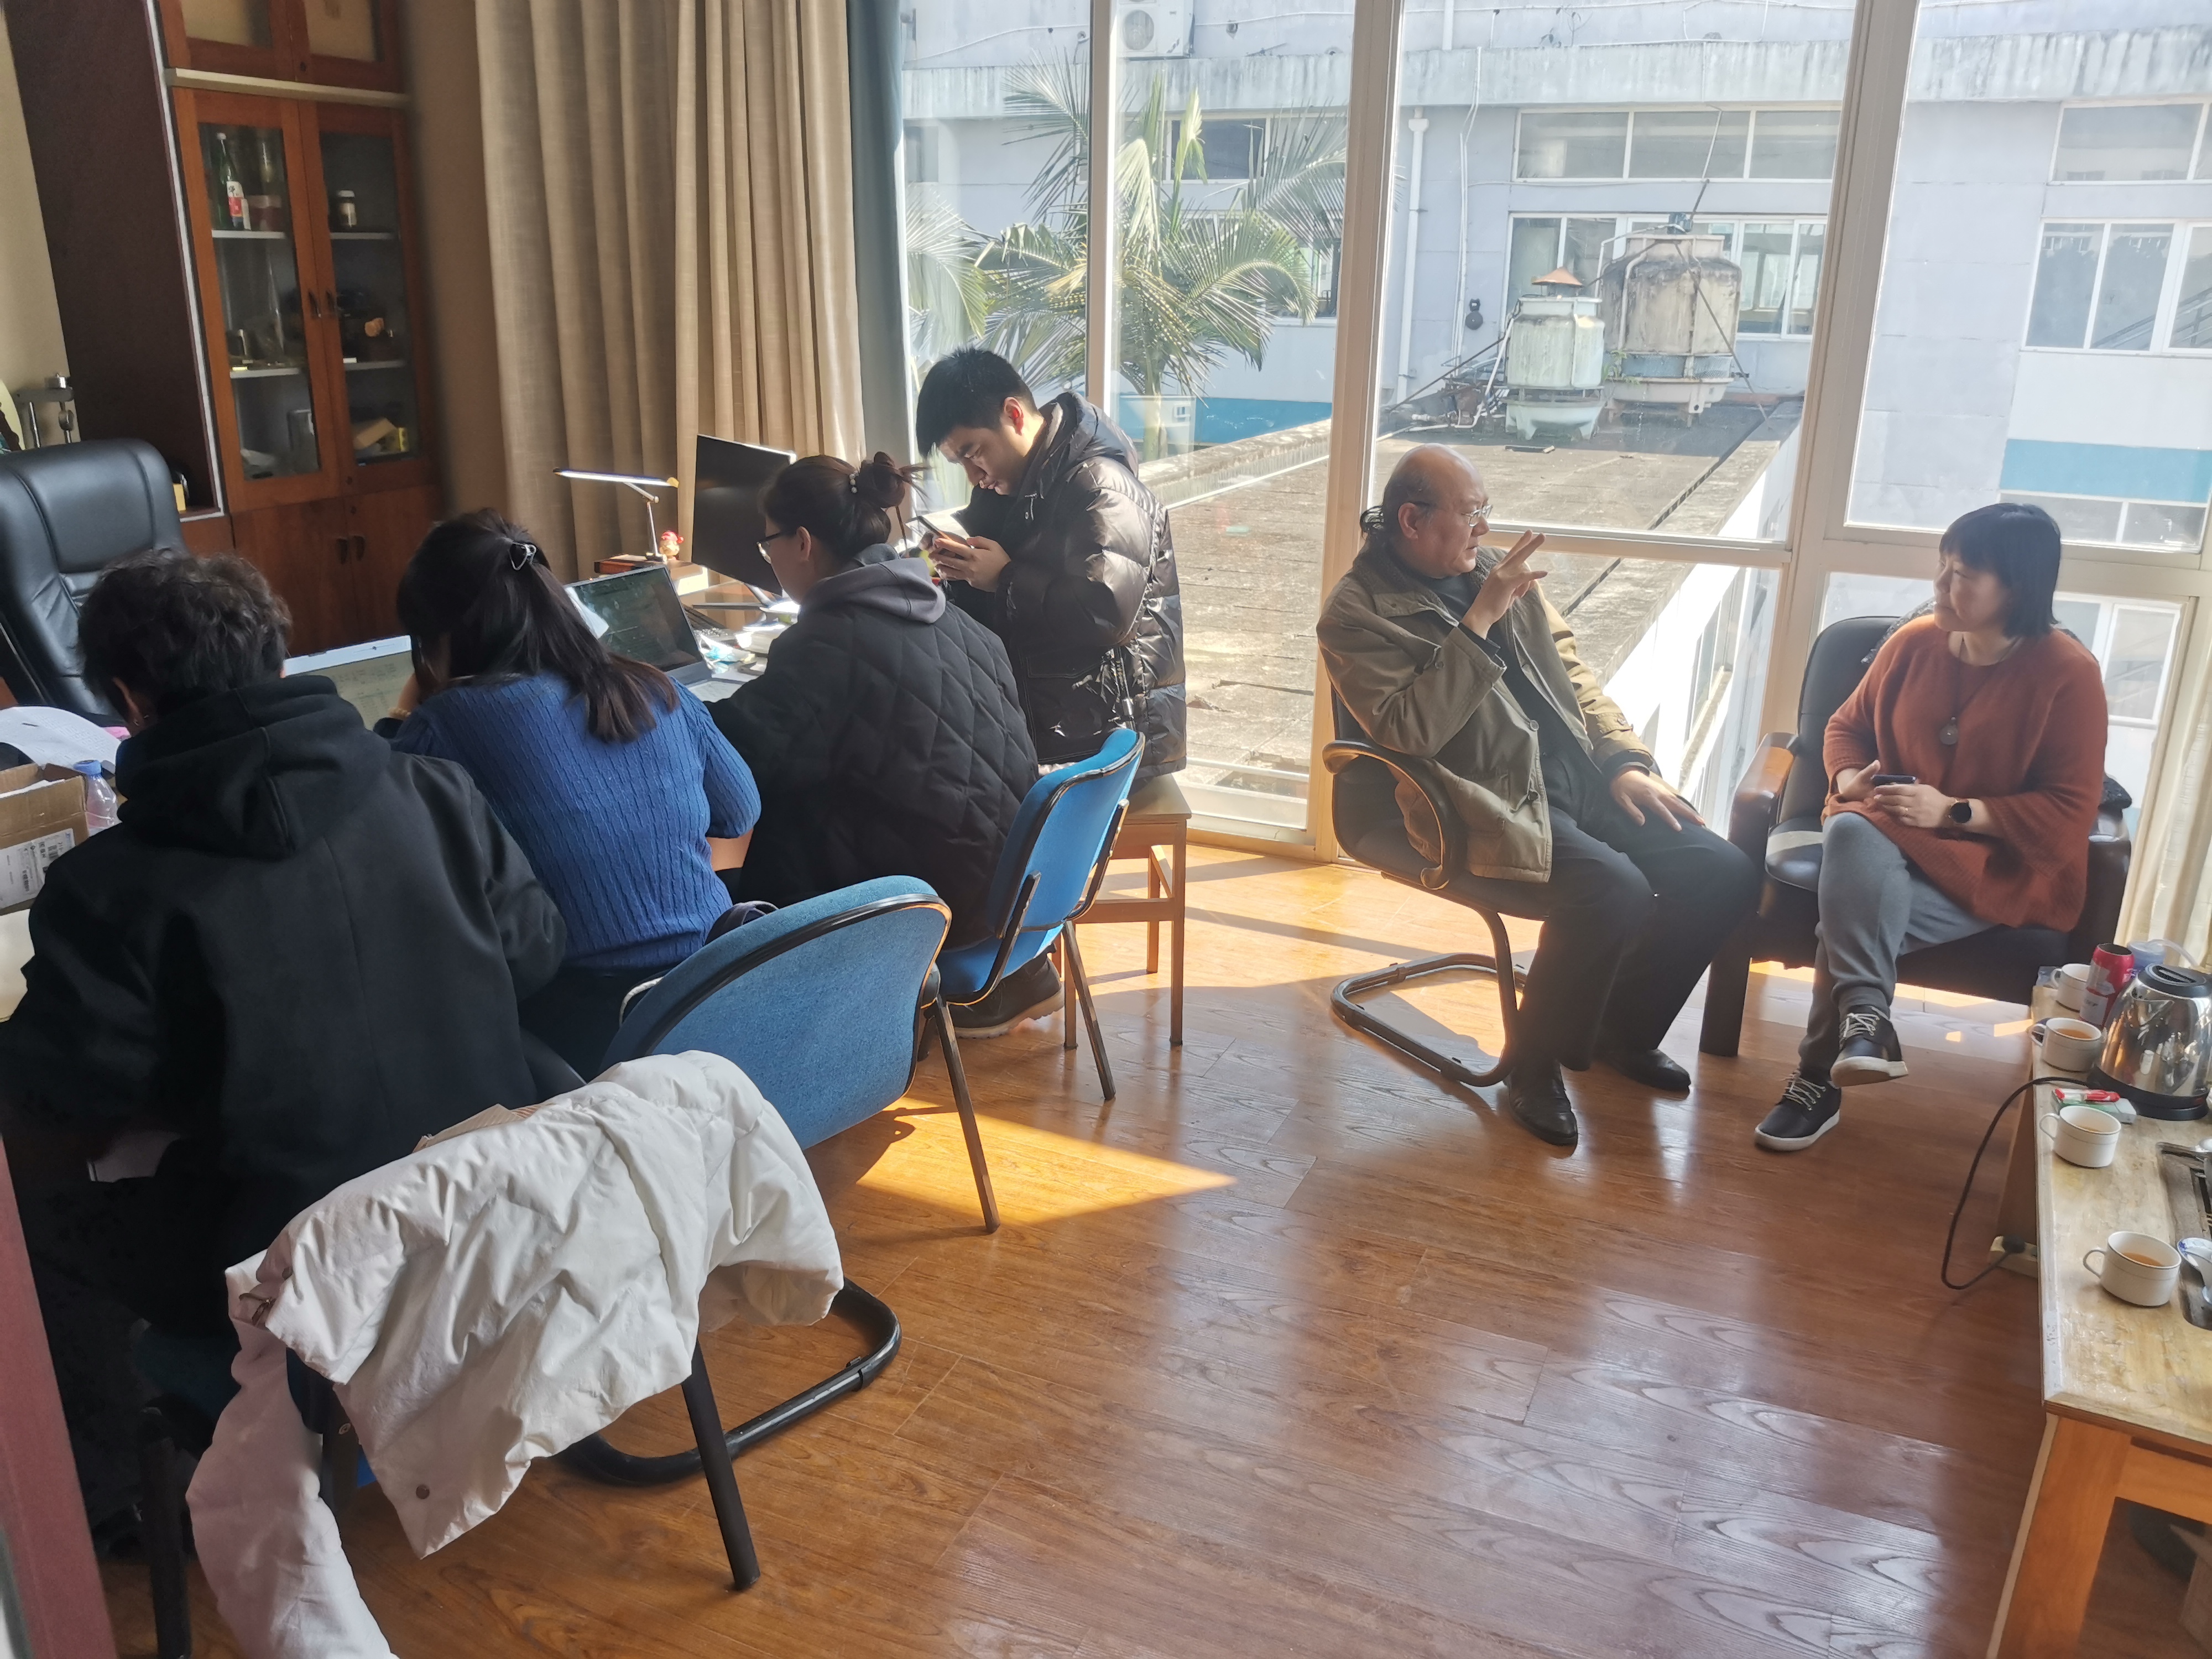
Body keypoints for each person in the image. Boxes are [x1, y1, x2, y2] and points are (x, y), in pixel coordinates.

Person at [0, 550, 564, 1536]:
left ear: (128, 697)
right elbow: (535, 956)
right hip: (482, 1211)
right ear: (279, 657)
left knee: (27, 1212)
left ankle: (119, 1498)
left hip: (283, 1269)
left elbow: (62, 1093)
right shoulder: (435, 791)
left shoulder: (113, 887)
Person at [1318, 446, 1760, 1147]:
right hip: (1476, 799)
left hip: (1577, 777)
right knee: (1610, 891)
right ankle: (1534, 1064)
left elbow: (1575, 678)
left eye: (1485, 511)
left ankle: (1621, 1030)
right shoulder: (1355, 613)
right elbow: (1409, 731)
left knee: (1724, 872)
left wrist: (1623, 761)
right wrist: (1477, 623)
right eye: (1470, 513)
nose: (1483, 529)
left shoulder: (1494, 572)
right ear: (1411, 520)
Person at [1755, 503, 2107, 1151]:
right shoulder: (1912, 643)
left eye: (1963, 574)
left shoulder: (2068, 675)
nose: (1941, 585)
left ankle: (1819, 1075)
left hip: (1992, 866)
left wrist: (1951, 811)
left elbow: (2069, 810)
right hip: (1884, 839)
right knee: (1852, 831)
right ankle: (1867, 1024)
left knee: (1846, 920)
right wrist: (1847, 779)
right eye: (1942, 567)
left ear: (2017, 589)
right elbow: (1844, 727)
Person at [384, 509, 761, 1074]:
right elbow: (739, 810)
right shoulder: (653, 686)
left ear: (440, 635)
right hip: (713, 990)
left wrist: (401, 715)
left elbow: (390, 842)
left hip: (586, 1018)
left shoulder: (443, 726)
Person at [710, 453, 1048, 1035]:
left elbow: (737, 762)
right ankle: (1016, 979)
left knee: (747, 850)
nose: (769, 561)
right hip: (1011, 886)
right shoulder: (959, 622)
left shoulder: (824, 645)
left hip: (933, 905)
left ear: (803, 542)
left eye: (769, 545)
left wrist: (665, 705)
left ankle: (809, 1033)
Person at [912, 346, 1185, 785]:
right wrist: (962, 567)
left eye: (973, 453)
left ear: (1014, 414)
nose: (972, 475)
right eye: (959, 462)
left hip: (1107, 741)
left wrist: (1004, 578)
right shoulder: (1021, 485)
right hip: (1060, 724)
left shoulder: (1100, 485)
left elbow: (1104, 614)